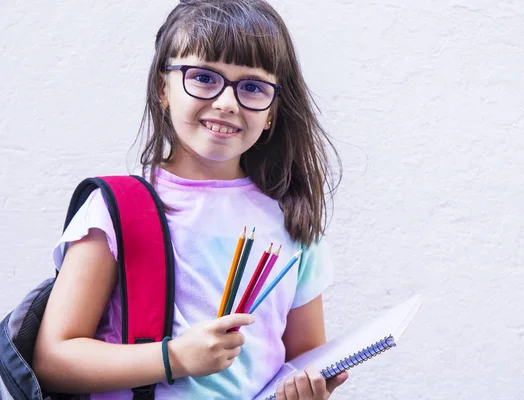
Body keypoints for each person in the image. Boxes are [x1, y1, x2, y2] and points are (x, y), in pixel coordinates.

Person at [32, 0, 348, 399]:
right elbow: (53, 360)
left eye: (252, 86)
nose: (227, 102)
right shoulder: (117, 210)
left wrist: (309, 390)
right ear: (163, 89)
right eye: (203, 77)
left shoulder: (291, 221)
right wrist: (175, 358)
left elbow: (304, 361)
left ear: (272, 111)